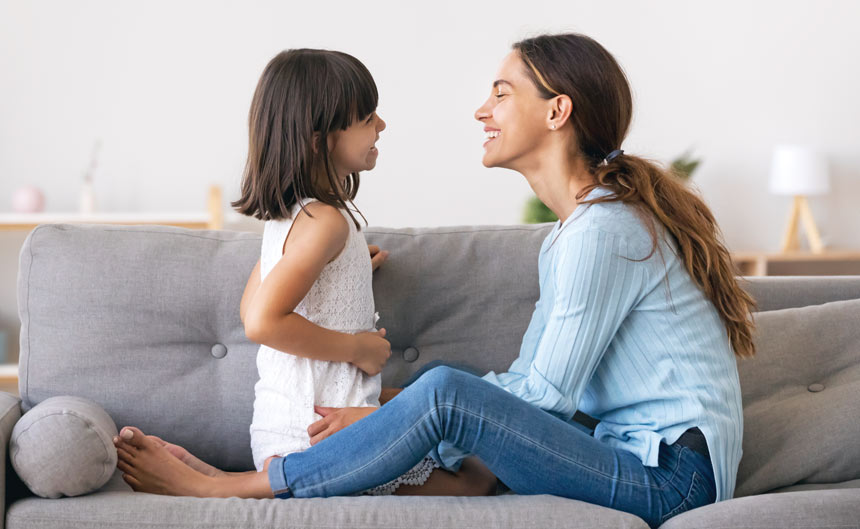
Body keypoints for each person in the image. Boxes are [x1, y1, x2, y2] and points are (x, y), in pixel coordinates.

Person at [114, 33, 755, 528]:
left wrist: (391, 414)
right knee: (445, 405)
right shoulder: (573, 233)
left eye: (502, 93)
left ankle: (233, 486)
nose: (482, 109)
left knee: (444, 391)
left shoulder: (602, 231)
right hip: (630, 452)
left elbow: (544, 397)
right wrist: (390, 411)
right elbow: (534, 383)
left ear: (557, 110)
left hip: (671, 479)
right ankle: (278, 471)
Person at [117, 48, 496, 498]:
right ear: (319, 139)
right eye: (367, 116)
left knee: (456, 429)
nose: (382, 125)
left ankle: (224, 477)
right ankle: (225, 488)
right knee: (476, 479)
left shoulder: (293, 219)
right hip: (321, 435)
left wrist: (347, 272)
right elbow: (261, 322)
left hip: (291, 429)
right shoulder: (327, 223)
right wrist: (358, 348)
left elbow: (250, 307)